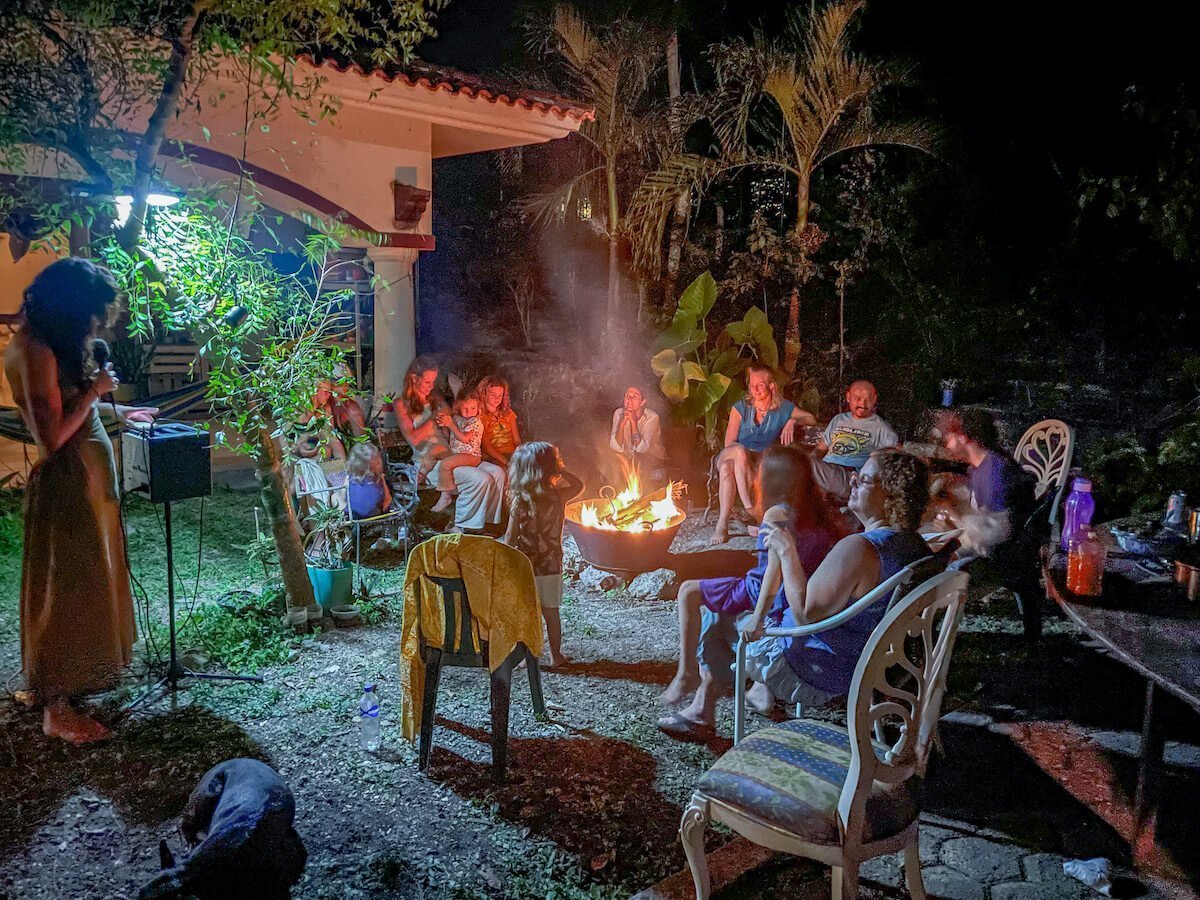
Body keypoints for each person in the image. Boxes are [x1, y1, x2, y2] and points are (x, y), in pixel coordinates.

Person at [661, 449, 929, 737]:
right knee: (747, 606)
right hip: (870, 661)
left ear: (891, 497)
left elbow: (804, 615)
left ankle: (701, 710)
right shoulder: (916, 547)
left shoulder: (861, 549)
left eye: (863, 480)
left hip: (816, 668)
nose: (851, 481)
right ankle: (752, 695)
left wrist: (787, 551)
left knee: (719, 614)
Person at [3, 258, 158, 744]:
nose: (94, 325)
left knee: (89, 580)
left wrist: (121, 409)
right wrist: (96, 391)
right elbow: (52, 439)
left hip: (88, 481)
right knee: (69, 588)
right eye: (90, 315)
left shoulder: (47, 345)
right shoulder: (33, 351)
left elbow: (71, 411)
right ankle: (57, 707)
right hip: (69, 483)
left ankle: (74, 680)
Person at [659, 446, 843, 711]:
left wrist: (759, 617)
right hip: (799, 588)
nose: (755, 476)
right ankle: (760, 690)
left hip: (762, 589)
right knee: (714, 595)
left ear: (773, 478)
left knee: (688, 591)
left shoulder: (776, 513)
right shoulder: (815, 510)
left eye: (759, 471)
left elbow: (773, 572)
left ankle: (686, 674)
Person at [939, 407, 1042, 638]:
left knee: (925, 575)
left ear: (963, 436)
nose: (945, 444)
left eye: (948, 437)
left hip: (1001, 561)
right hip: (990, 550)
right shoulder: (982, 467)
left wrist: (954, 520)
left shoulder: (998, 472)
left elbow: (996, 533)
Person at [395, 357, 505, 533]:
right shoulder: (401, 404)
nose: (431, 386)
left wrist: (456, 400)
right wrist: (433, 419)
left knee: (497, 473)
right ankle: (461, 525)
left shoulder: (435, 398)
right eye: (427, 381)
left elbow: (455, 413)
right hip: (429, 461)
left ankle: (486, 521)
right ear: (414, 379)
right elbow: (413, 439)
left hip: (454, 452)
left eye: (433, 381)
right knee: (480, 478)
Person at [710, 364, 817, 545]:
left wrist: (792, 420)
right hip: (730, 454)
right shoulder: (740, 408)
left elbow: (810, 418)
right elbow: (729, 442)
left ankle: (722, 523)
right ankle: (750, 509)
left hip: (756, 461)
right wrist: (742, 455)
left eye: (760, 384)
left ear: (771, 385)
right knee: (737, 453)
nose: (755, 389)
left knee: (730, 469)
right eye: (752, 385)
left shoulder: (783, 408)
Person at [501, 441, 584, 667]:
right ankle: (556, 655)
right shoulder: (558, 496)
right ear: (551, 468)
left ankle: (527, 657)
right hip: (550, 564)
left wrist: (504, 561)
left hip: (525, 566)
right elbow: (579, 485)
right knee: (551, 612)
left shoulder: (520, 500)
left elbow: (510, 537)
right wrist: (561, 471)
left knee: (526, 613)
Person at [811, 379, 899, 504]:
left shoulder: (882, 428)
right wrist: (811, 461)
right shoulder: (838, 419)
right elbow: (820, 449)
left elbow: (893, 458)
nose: (862, 404)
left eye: (867, 399)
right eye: (857, 398)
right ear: (848, 397)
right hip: (826, 470)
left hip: (850, 478)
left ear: (874, 399)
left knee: (802, 463)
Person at [431, 391, 484, 514]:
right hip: (457, 453)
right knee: (436, 458)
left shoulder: (475, 422)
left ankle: (446, 496)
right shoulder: (457, 419)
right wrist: (445, 425)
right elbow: (450, 436)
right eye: (465, 408)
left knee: (445, 464)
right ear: (458, 406)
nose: (469, 411)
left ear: (478, 408)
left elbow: (464, 438)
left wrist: (451, 426)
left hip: (471, 456)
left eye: (473, 408)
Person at [609, 386, 666, 479]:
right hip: (630, 460)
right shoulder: (619, 413)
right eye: (627, 396)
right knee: (610, 463)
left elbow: (642, 449)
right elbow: (616, 447)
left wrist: (633, 422)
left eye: (635, 397)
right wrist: (622, 423)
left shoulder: (652, 417)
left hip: (653, 461)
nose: (629, 400)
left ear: (642, 402)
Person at [477, 375, 522, 468]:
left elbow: (517, 440)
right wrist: (507, 463)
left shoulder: (508, 413)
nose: (497, 398)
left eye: (500, 395)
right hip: (493, 457)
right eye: (493, 395)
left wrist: (521, 456)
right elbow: (486, 447)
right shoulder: (480, 416)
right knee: (506, 472)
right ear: (484, 394)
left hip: (512, 454)